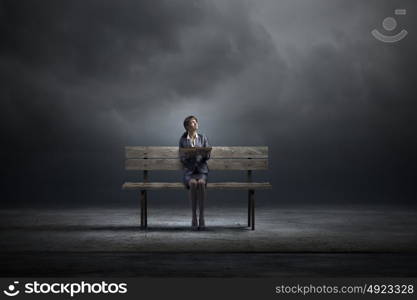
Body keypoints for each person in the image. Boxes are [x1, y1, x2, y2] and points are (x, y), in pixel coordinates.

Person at [179, 116, 211, 230]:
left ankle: (202, 217)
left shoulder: (203, 138)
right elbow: (182, 158)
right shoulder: (183, 140)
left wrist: (201, 152)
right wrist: (190, 154)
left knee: (201, 183)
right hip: (189, 172)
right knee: (193, 184)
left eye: (196, 121)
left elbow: (208, 156)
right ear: (187, 126)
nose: (195, 123)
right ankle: (194, 217)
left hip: (202, 171)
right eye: (192, 122)